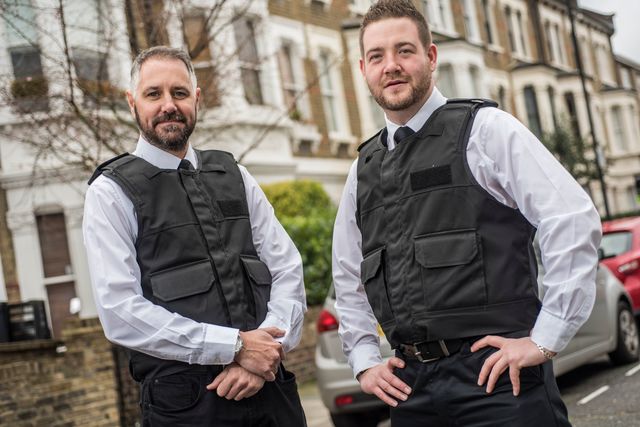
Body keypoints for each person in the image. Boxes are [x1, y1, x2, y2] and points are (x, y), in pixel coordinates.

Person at [332, 1, 601, 426]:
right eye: (377, 56)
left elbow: (571, 218)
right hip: (411, 389)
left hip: (499, 380)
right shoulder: (362, 170)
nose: (391, 66)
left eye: (405, 50)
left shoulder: (486, 130)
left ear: (430, 56)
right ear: (364, 69)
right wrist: (364, 360)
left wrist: (546, 338)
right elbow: (348, 275)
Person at [83, 46, 307, 426]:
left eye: (180, 93)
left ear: (197, 99)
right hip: (185, 407)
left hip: (271, 393)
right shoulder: (111, 192)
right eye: (153, 94)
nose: (169, 105)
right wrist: (235, 347)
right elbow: (119, 310)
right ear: (132, 102)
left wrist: (265, 352)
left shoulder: (235, 174)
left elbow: (287, 268)